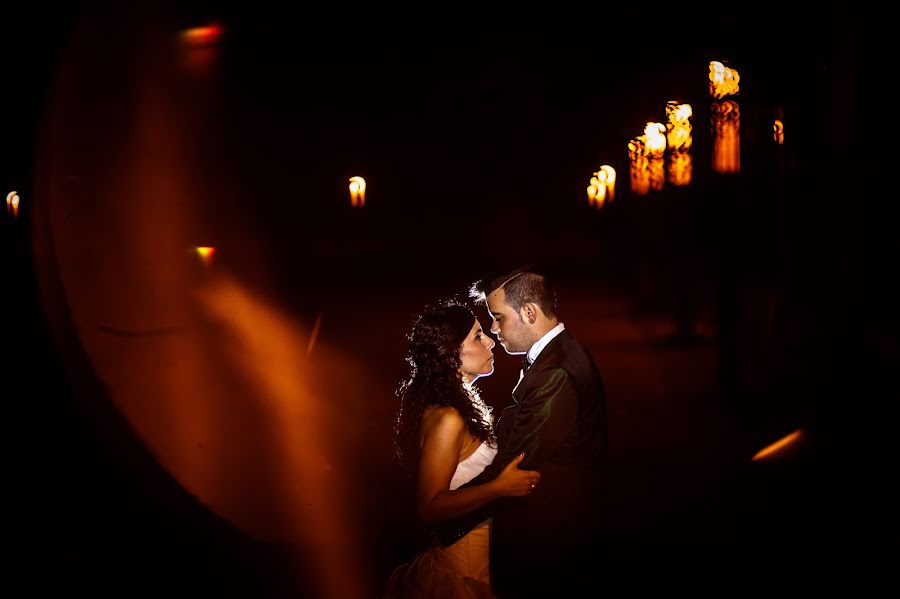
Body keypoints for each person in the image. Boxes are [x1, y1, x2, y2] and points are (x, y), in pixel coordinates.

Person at [434, 265, 609, 597]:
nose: (493, 329)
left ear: (529, 312)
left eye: (498, 318)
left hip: (549, 544)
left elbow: (518, 463)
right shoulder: (558, 358)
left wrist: (445, 518)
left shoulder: (556, 372)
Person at [385, 299, 541, 598]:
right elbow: (429, 507)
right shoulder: (448, 418)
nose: (491, 343)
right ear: (451, 354)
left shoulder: (460, 405)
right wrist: (498, 488)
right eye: (478, 336)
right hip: (461, 573)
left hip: (482, 564)